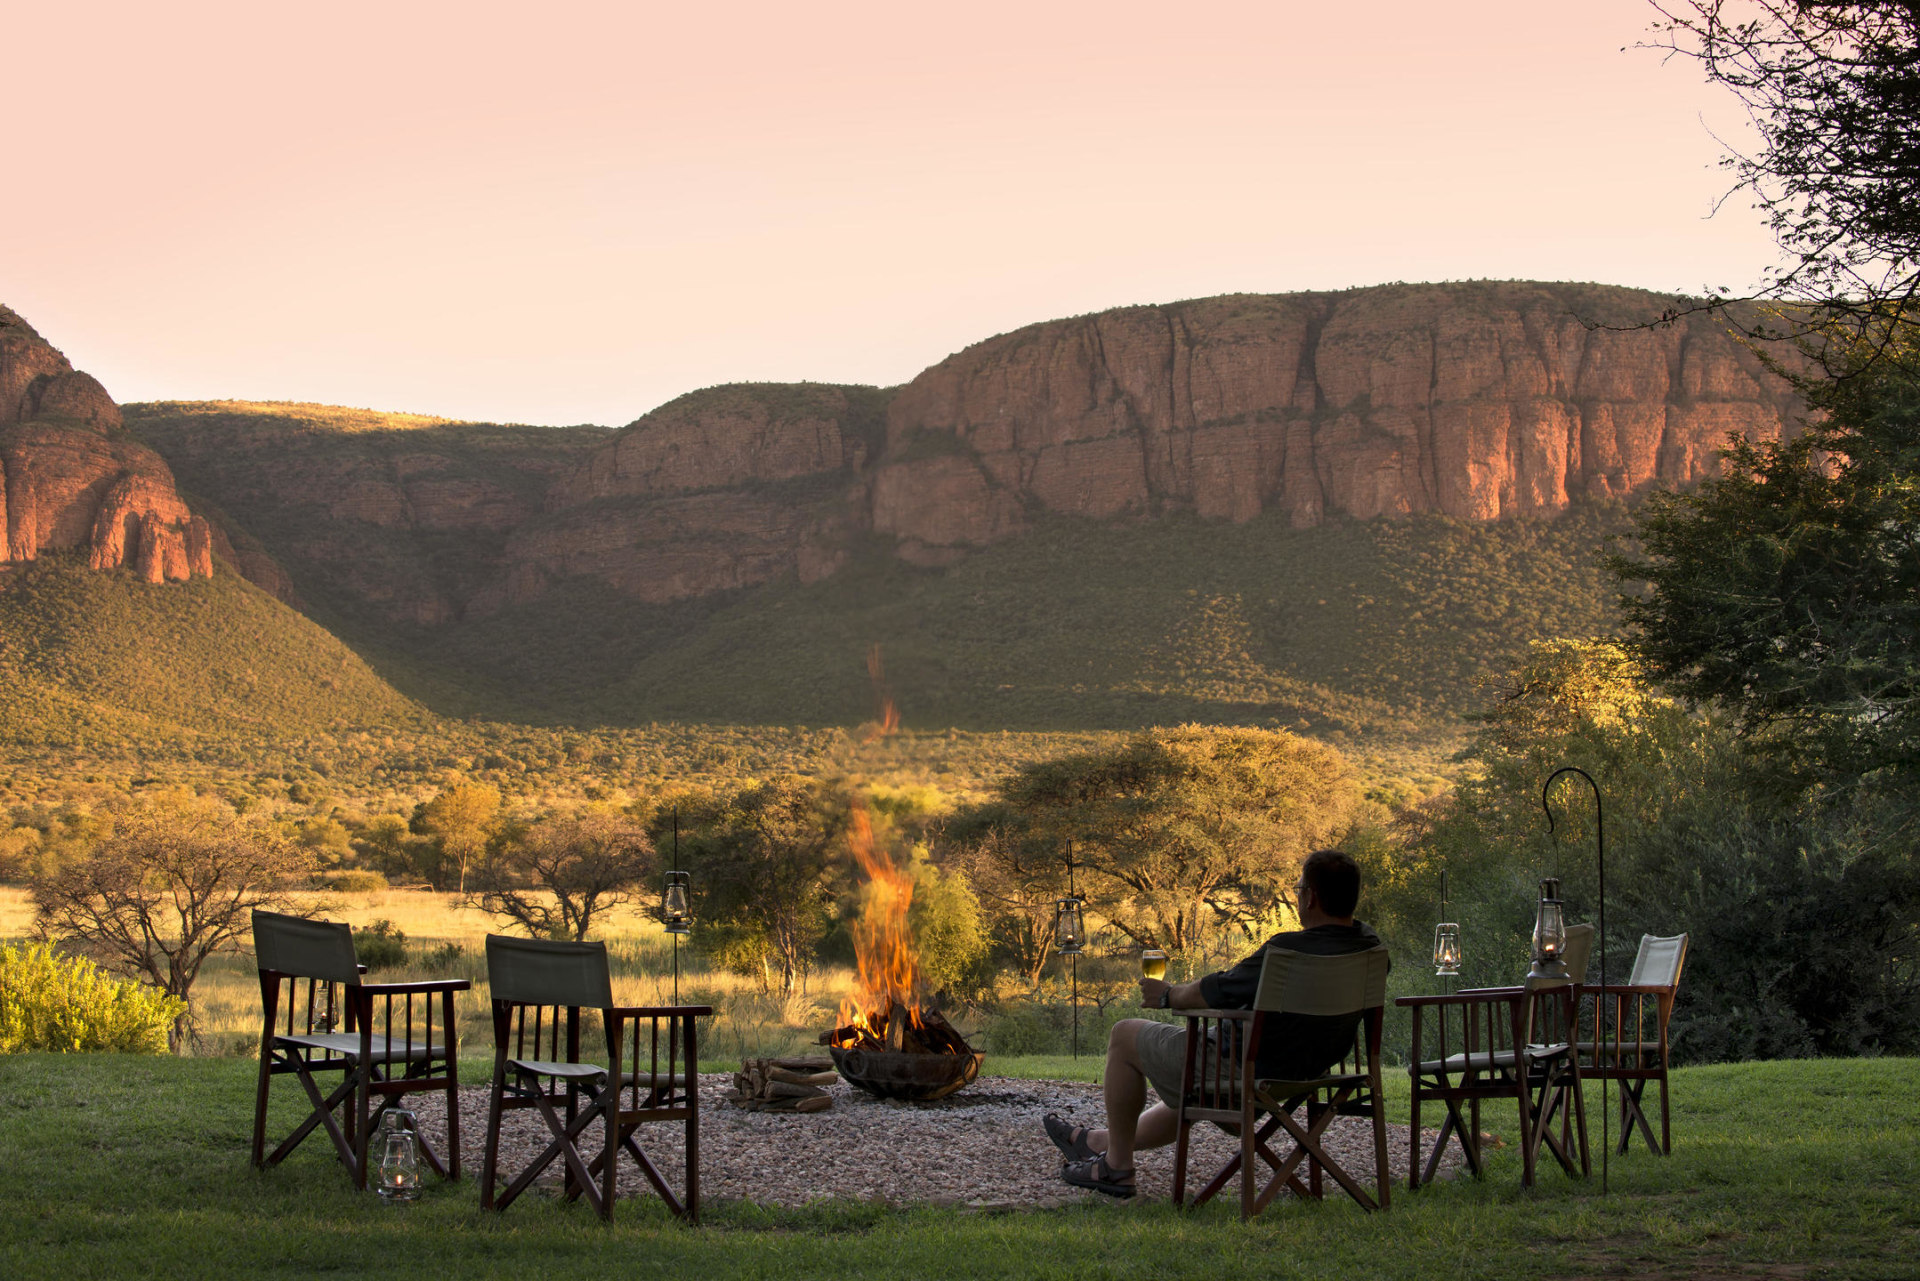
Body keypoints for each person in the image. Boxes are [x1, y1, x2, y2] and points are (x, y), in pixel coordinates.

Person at [1043, 847, 1387, 1198]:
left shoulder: (1287, 952)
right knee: (1188, 1082)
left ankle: (1115, 1167)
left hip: (1247, 1069)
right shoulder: (1371, 949)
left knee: (1124, 1036)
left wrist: (1167, 995)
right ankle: (1094, 1141)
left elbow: (1215, 991)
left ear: (1311, 897)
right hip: (1311, 1072)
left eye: (1299, 889)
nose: (1298, 896)